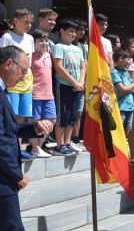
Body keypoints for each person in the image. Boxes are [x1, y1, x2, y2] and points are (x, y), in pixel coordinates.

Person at [0, 46, 53, 231]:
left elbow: (10, 131)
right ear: (8, 64)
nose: (23, 76)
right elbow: (1, 142)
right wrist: (16, 175)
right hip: (3, 181)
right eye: (22, 70)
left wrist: (35, 127)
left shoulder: (2, 91)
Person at [53, 19, 85, 156]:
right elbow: (58, 67)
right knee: (63, 116)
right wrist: (74, 82)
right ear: (62, 31)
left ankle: (67, 142)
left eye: (74, 31)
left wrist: (80, 82)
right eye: (70, 31)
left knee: (73, 116)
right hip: (65, 86)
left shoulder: (78, 49)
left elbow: (83, 66)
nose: (73, 34)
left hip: (77, 87)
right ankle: (59, 145)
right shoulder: (59, 47)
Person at [0, 9, 35, 129]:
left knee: (22, 116)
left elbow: (30, 61)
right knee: (12, 113)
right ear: (15, 20)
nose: (29, 25)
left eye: (30, 22)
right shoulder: (7, 37)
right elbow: (3, 58)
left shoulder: (30, 38)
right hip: (12, 81)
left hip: (26, 81)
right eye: (26, 22)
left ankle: (18, 145)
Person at [29, 30, 56, 158]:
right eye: (40, 40)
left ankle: (38, 145)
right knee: (34, 122)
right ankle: (35, 147)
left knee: (52, 120)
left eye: (46, 40)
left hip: (49, 94)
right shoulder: (30, 55)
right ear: (33, 42)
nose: (44, 43)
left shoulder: (48, 54)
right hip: (35, 94)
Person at [111, 50, 134, 160]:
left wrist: (131, 87)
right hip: (120, 107)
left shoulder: (126, 73)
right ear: (120, 59)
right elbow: (122, 90)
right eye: (127, 59)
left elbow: (133, 87)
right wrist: (131, 85)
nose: (129, 62)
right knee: (119, 131)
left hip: (130, 107)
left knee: (127, 132)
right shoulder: (114, 72)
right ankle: (116, 155)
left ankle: (123, 154)